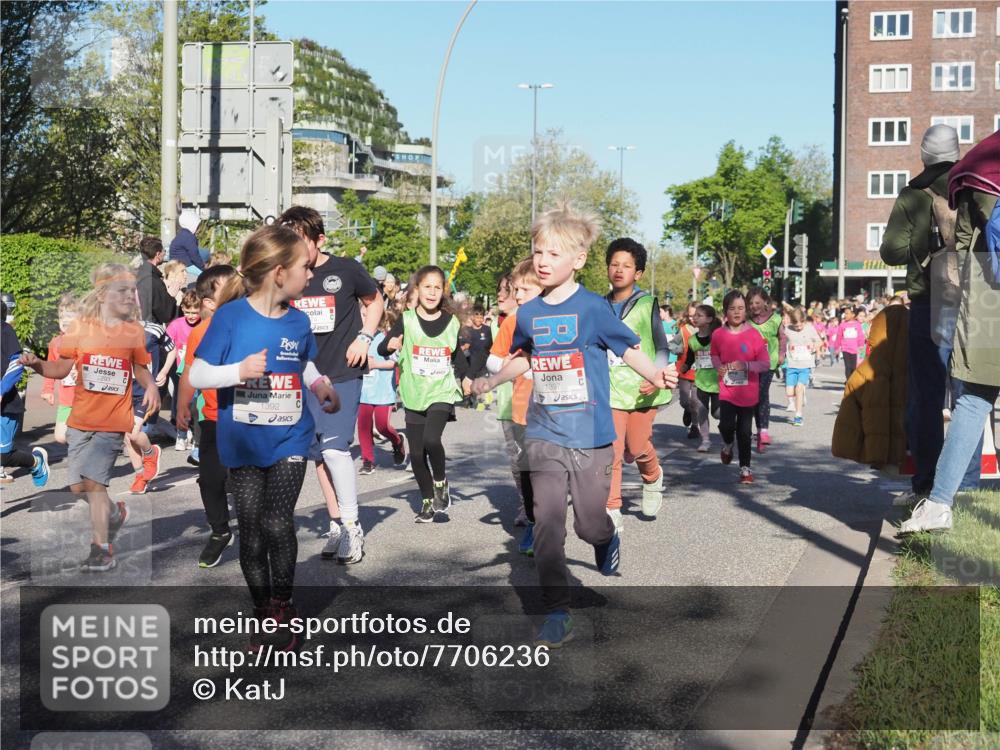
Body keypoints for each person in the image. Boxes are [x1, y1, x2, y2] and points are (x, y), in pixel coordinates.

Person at [472, 202, 677, 648]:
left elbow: (628, 349)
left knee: (588, 524)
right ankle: (557, 609)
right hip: (544, 432)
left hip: (592, 437)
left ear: (579, 259)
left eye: (553, 254)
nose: (543, 261)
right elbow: (523, 357)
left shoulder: (594, 309)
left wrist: (656, 374)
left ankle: (605, 540)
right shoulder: (528, 313)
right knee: (547, 521)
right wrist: (489, 379)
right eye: (538, 252)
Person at [188, 225, 338, 649]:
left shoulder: (298, 320)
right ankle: (262, 612)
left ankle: (283, 605)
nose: (309, 275)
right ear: (278, 273)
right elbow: (199, 373)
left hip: (290, 437)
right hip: (242, 442)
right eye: (304, 268)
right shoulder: (232, 317)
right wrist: (238, 372)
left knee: (276, 521)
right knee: (252, 530)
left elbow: (302, 362)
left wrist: (320, 385)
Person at [19, 264, 159, 571]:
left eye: (130, 290)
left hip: (112, 421)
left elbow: (141, 368)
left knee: (94, 484)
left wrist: (152, 387)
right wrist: (38, 365)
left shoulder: (132, 331)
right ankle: (115, 513)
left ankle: (101, 548)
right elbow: (62, 368)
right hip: (80, 420)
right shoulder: (80, 328)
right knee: (78, 488)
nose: (129, 296)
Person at [900, 130, 1000, 533]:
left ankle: (939, 503)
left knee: (973, 401)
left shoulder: (978, 166)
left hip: (988, 301)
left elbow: (962, 242)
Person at [279, 205, 384, 566]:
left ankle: (353, 526)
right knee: (319, 455)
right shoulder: (286, 276)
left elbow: (375, 301)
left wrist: (365, 338)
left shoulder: (347, 269)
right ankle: (336, 522)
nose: (292, 247)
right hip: (304, 376)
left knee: (337, 449)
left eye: (300, 241)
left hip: (342, 371)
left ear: (319, 240)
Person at [879, 124, 970, 506]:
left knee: (926, 395)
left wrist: (923, 246)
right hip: (972, 303)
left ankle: (926, 485)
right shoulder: (971, 187)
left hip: (928, 302)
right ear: (957, 152)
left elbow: (890, 252)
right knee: (970, 395)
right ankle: (965, 485)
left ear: (923, 154)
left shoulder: (912, 194)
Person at [380, 266, 475, 522]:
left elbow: (456, 355)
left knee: (432, 440)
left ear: (442, 291)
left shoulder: (451, 322)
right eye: (427, 287)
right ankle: (426, 501)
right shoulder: (407, 319)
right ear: (417, 290)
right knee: (418, 454)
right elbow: (382, 347)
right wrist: (389, 344)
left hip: (441, 391)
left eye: (437, 287)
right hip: (413, 393)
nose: (432, 292)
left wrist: (466, 377)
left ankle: (441, 483)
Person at [604, 238, 671, 527]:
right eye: (614, 264)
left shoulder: (646, 304)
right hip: (610, 391)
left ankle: (653, 476)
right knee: (614, 451)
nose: (619, 270)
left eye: (627, 266)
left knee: (637, 445)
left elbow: (662, 345)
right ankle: (612, 509)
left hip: (644, 390)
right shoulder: (598, 306)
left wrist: (656, 378)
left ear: (638, 273)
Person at [176, 264, 239, 568]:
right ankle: (220, 531)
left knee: (245, 477)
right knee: (210, 479)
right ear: (210, 302)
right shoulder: (199, 333)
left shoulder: (251, 323)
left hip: (248, 417)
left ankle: (259, 528)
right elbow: (189, 371)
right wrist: (182, 405)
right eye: (231, 287)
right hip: (213, 417)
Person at [488, 259, 543, 550]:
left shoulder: (566, 316)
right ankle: (535, 522)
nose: (516, 295)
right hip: (521, 407)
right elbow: (494, 357)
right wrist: (505, 364)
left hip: (560, 410)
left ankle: (548, 522)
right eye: (515, 289)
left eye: (523, 289)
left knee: (551, 471)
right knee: (525, 468)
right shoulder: (513, 321)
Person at [711, 290, 770, 484]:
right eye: (732, 309)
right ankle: (728, 444)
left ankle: (745, 469)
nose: (737, 312)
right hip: (727, 390)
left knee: (744, 432)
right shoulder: (718, 334)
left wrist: (745, 365)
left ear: (746, 311)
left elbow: (765, 364)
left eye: (741, 308)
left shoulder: (754, 335)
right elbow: (714, 355)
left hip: (748, 392)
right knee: (726, 425)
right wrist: (719, 367)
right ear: (725, 312)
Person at [1, 300, 51, 486]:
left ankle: (36, 462)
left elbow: (17, 363)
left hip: (5, 407)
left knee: (3, 457)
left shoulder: (5, 331)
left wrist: (1, 391)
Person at [124, 318, 174, 494]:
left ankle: (151, 452)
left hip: (145, 392)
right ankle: (140, 476)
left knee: (134, 433)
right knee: (127, 438)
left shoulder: (153, 330)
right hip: (123, 392)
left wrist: (164, 371)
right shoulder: (113, 331)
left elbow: (172, 349)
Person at [357, 306, 407, 477]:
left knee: (382, 426)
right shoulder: (357, 339)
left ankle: (397, 441)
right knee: (363, 425)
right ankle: (368, 461)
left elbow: (395, 363)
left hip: (383, 390)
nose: (363, 317)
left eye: (366, 314)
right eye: (362, 314)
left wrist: (374, 364)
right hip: (364, 391)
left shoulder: (385, 338)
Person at [679, 304, 721, 453]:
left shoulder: (718, 337)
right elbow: (690, 359)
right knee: (701, 410)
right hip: (701, 381)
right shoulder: (692, 340)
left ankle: (728, 422)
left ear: (709, 319)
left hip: (718, 381)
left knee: (717, 413)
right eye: (694, 315)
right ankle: (705, 440)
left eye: (699, 315)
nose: (695, 318)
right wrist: (682, 368)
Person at [40, 294, 80, 445]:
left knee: (81, 434)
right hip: (66, 398)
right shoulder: (55, 343)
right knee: (60, 436)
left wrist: (81, 371)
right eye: (62, 316)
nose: (65, 320)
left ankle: (85, 459)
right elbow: (50, 367)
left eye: (70, 317)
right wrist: (48, 389)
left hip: (86, 398)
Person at [748, 287, 782, 453]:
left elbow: (782, 337)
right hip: (749, 364)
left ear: (766, 303)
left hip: (769, 362)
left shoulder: (776, 319)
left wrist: (782, 354)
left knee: (761, 394)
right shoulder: (746, 321)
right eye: (751, 303)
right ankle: (757, 431)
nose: (754, 306)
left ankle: (764, 431)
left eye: (757, 302)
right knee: (752, 397)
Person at [167, 289, 201, 451]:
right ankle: (181, 435)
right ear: (182, 310)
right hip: (184, 374)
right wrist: (164, 370)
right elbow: (169, 348)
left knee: (198, 407)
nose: (192, 316)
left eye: (195, 312)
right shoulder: (177, 325)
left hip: (201, 373)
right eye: (188, 312)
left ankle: (197, 437)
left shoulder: (204, 324)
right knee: (185, 405)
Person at [782, 307, 822, 427]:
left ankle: (798, 415)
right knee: (790, 392)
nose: (799, 328)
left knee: (799, 388)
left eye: (800, 325)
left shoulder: (810, 329)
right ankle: (800, 394)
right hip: (791, 364)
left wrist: (814, 346)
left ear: (804, 321)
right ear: (791, 323)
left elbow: (819, 341)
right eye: (796, 326)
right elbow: (780, 340)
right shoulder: (787, 329)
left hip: (805, 364)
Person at [136, 237, 178, 327]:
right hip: (149, 331)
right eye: (164, 251)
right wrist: (171, 296)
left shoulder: (136, 275)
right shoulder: (153, 281)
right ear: (158, 254)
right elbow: (166, 315)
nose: (164, 254)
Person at [676, 303, 699, 438]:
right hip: (684, 370)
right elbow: (673, 344)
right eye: (690, 316)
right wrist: (676, 347)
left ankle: (695, 427)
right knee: (684, 401)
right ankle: (688, 411)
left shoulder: (709, 330)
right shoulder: (683, 329)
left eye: (695, 315)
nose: (692, 318)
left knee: (696, 401)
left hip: (700, 373)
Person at [169, 210, 205, 282]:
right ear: (192, 224)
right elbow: (194, 255)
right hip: (187, 268)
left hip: (176, 267)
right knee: (207, 278)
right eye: (198, 225)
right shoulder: (189, 237)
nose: (199, 228)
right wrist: (203, 267)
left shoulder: (181, 235)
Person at [834, 307, 866, 380]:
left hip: (854, 349)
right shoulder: (842, 325)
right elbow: (839, 336)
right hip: (845, 349)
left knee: (853, 367)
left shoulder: (857, 324)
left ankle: (852, 380)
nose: (845, 315)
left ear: (853, 315)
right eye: (845, 313)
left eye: (847, 313)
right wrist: (837, 347)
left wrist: (861, 345)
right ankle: (848, 381)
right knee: (848, 366)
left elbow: (860, 335)